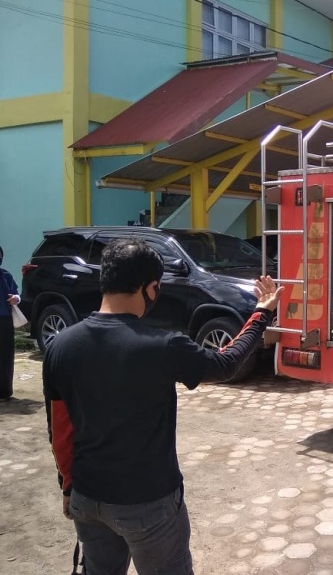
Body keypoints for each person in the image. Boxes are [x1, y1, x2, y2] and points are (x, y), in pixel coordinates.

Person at [43, 238, 284, 574]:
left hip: (88, 497)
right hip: (149, 503)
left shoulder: (61, 346)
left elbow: (59, 429)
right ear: (152, 288)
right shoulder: (163, 345)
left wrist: (68, 486)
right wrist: (262, 312)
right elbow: (226, 363)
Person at [1, 245, 21, 401]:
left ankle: (4, 390)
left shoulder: (5, 275)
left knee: (5, 356)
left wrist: (16, 298)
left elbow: (16, 293)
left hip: (4, 320)